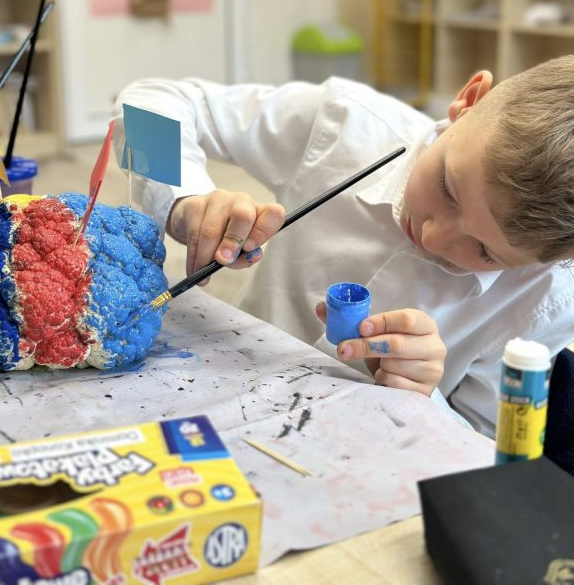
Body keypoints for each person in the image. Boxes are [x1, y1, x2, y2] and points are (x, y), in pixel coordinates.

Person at [112, 56, 574, 438]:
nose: (434, 237)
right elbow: (150, 100)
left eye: (487, 253)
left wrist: (425, 395)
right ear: (468, 101)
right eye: (447, 189)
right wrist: (183, 198)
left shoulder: (547, 302)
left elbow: (490, 459)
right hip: (208, 391)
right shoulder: (346, 125)